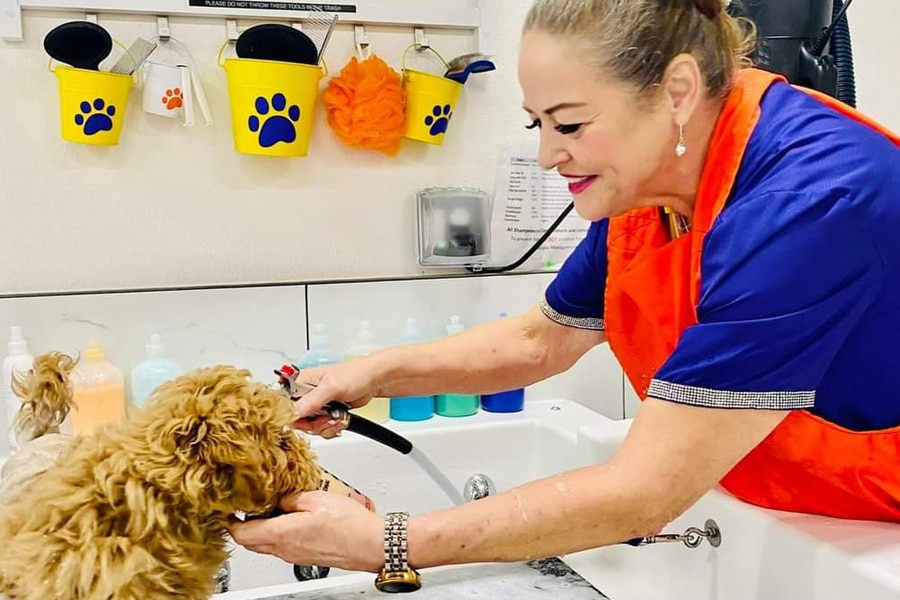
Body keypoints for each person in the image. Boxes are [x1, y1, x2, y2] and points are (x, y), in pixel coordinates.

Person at [230, 0, 900, 578]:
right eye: (537, 124)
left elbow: (643, 492)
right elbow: (540, 340)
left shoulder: (808, 203)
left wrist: (389, 543)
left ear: (677, 91)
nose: (549, 153)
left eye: (570, 124)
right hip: (811, 507)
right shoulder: (654, 186)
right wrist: (369, 374)